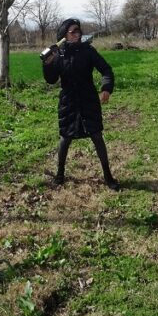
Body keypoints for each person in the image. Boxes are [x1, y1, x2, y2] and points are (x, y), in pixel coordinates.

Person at [42, 18, 120, 190]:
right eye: (73, 31)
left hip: (88, 99)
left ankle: (108, 176)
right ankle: (60, 174)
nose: (78, 34)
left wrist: (106, 88)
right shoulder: (58, 54)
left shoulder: (88, 51)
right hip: (68, 101)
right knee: (65, 138)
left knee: (97, 136)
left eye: (78, 31)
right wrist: (47, 64)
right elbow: (51, 79)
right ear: (64, 35)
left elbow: (106, 70)